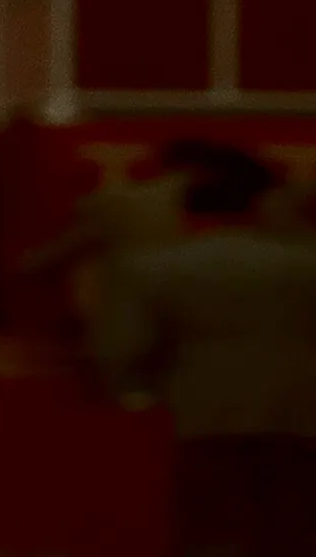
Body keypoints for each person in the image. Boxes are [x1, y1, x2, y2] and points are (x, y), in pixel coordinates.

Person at [91, 143, 316, 556]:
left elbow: (121, 352)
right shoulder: (306, 265)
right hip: (301, 417)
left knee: (210, 535)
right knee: (294, 537)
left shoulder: (151, 268)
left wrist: (142, 394)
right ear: (255, 211)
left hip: (200, 419)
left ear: (187, 218)